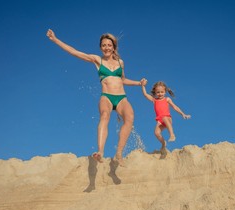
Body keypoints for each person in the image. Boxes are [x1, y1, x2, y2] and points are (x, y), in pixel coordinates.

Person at [46, 29, 146, 166]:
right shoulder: (97, 60)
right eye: (104, 45)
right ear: (100, 47)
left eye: (109, 45)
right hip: (107, 97)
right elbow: (74, 52)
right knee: (105, 115)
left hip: (122, 97)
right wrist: (55, 39)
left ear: (113, 47)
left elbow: (122, 80)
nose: (106, 48)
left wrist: (138, 83)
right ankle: (100, 151)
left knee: (130, 118)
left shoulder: (120, 63)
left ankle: (119, 153)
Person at [140, 80, 191, 154]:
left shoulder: (167, 99)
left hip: (168, 119)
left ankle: (172, 134)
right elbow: (145, 94)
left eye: (162, 92)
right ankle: (163, 143)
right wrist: (143, 86)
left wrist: (183, 114)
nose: (160, 94)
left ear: (165, 92)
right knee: (156, 133)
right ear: (155, 92)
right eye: (158, 92)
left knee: (164, 117)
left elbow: (175, 107)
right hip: (160, 121)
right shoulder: (154, 100)